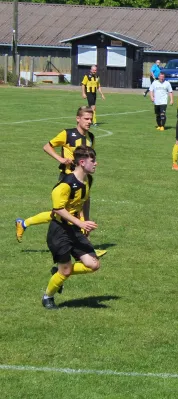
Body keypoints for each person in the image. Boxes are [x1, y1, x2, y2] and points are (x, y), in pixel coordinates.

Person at [15, 107, 103, 253]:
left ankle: (24, 223)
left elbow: (89, 156)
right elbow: (47, 147)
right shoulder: (67, 134)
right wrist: (61, 159)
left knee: (63, 213)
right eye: (86, 119)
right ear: (78, 119)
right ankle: (86, 248)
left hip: (83, 178)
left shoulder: (91, 138)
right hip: (67, 179)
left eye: (90, 119)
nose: (89, 122)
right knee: (65, 213)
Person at [42, 146, 102, 310]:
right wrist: (80, 223)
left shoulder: (87, 180)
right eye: (93, 161)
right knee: (66, 271)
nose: (96, 164)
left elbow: (84, 200)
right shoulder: (65, 184)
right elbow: (57, 209)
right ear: (82, 162)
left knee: (94, 264)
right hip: (59, 231)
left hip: (74, 229)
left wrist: (86, 221)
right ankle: (48, 296)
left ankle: (59, 273)